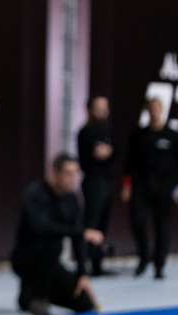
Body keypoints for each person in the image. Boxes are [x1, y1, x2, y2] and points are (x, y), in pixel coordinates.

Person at [10, 153, 102, 315]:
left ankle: (28, 294)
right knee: (53, 244)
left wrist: (83, 274)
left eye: (75, 173)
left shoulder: (72, 198)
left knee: (84, 302)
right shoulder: (35, 193)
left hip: (50, 263)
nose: (72, 179)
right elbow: (42, 228)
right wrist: (82, 232)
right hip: (26, 259)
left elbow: (78, 238)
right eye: (68, 173)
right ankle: (38, 299)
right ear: (55, 172)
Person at [121, 97, 178, 279]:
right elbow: (129, 163)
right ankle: (144, 256)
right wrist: (126, 185)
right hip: (142, 185)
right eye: (151, 108)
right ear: (147, 110)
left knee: (162, 226)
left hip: (165, 186)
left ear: (162, 110)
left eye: (157, 108)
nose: (154, 112)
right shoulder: (138, 134)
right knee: (137, 220)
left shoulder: (172, 135)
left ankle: (159, 265)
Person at [77, 95, 115, 275]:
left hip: (107, 182)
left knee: (102, 225)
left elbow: (118, 152)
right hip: (93, 182)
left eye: (104, 108)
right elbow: (84, 162)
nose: (101, 112)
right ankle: (82, 266)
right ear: (90, 110)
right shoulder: (84, 132)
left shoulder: (108, 131)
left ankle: (97, 265)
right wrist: (99, 154)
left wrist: (110, 152)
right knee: (91, 224)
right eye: (98, 108)